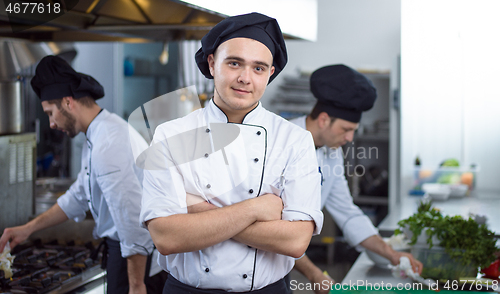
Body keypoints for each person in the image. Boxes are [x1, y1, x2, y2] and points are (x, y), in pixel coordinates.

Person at [139, 12, 323, 293]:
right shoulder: (170, 135)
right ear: (212, 63)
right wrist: (257, 208)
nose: (245, 78)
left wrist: (198, 211)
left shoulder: (295, 140)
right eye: (234, 63)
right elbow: (166, 237)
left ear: (270, 74)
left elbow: (295, 242)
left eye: (259, 68)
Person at [0, 55, 165, 294]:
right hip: (127, 254)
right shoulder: (99, 133)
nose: (51, 124)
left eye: (49, 113)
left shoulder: (108, 143)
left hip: (137, 261)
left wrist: (136, 286)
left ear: (68, 102)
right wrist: (28, 229)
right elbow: (78, 196)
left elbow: (131, 223)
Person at [289, 64, 423, 294]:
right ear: (323, 119)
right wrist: (314, 273)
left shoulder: (331, 153)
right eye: (346, 129)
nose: (350, 138)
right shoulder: (282, 144)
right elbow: (275, 231)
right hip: (260, 263)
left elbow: (347, 212)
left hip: (287, 261)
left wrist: (391, 254)